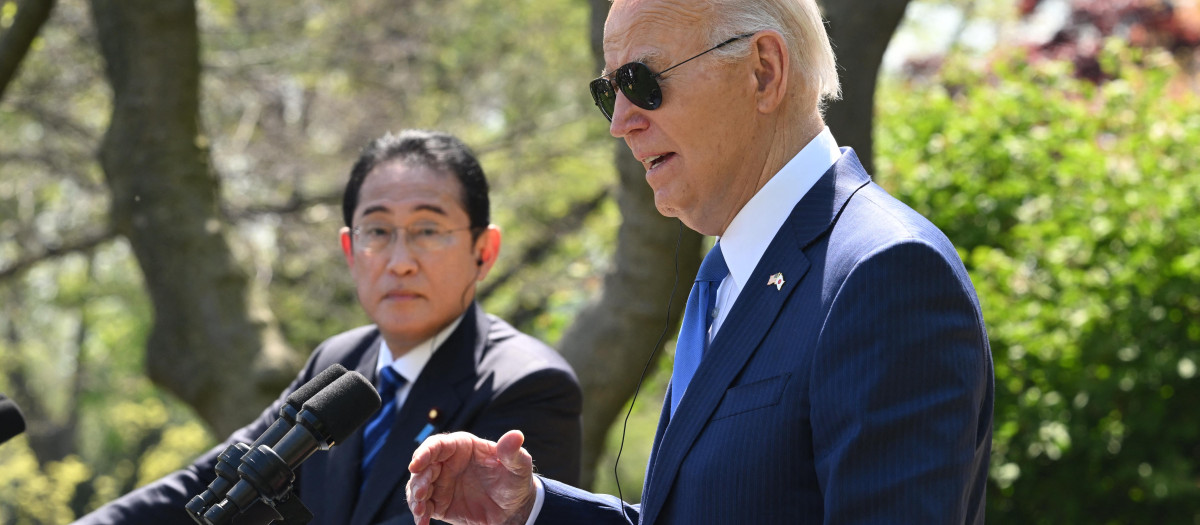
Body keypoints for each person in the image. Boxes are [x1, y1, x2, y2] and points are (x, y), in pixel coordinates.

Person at [405, 0, 994, 523]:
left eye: (641, 80)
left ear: (764, 71)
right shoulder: (729, 275)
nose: (620, 122)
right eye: (609, 92)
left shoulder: (885, 273)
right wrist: (533, 509)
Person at [75, 130, 583, 524]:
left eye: (428, 230)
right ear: (349, 250)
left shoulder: (528, 385)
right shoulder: (339, 363)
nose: (400, 261)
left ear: (484, 251)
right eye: (377, 231)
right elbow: (222, 476)